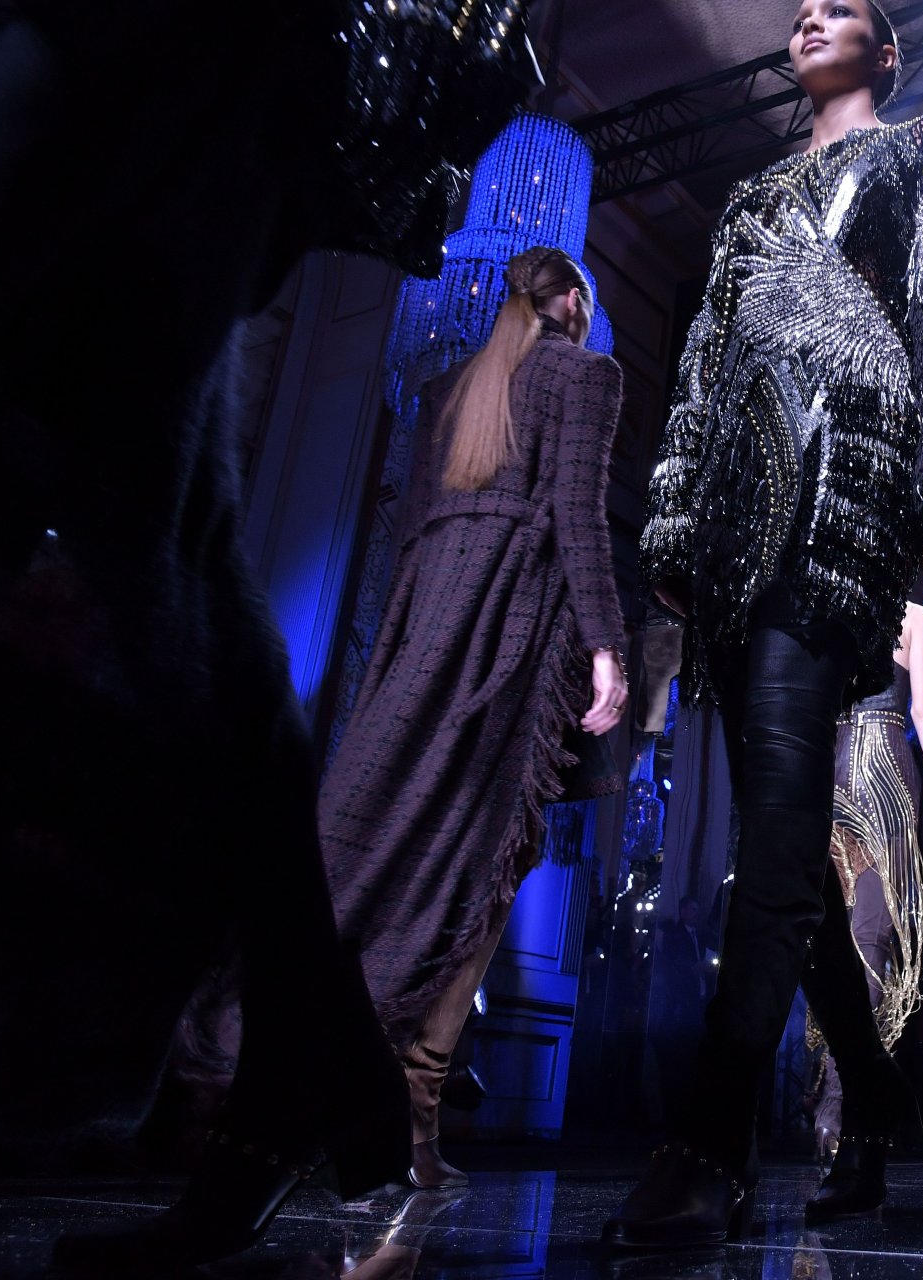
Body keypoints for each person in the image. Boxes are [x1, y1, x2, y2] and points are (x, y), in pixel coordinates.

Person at [0, 4, 533, 1269]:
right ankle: (301, 1048)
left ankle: (285, 1044)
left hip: (219, 50)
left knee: (118, 459)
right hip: (220, 60)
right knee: (156, 503)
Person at [605, 0, 923, 1249]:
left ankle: (709, 1142)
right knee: (781, 836)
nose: (813, 15)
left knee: (776, 829)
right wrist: (673, 514)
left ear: (890, 50)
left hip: (843, 482)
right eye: (804, 9)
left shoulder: (916, 151)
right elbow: (701, 357)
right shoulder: (748, 195)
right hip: (732, 507)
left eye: (846, 8)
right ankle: (875, 1099)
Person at [320, 247, 626, 1190]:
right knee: (488, 852)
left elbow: (410, 527)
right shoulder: (586, 374)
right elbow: (579, 514)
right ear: (570, 302)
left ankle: (336, 1075)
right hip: (514, 615)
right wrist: (608, 645)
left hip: (426, 618)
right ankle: (412, 1105)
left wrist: (398, 644)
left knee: (391, 829)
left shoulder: (448, 387)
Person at [813, 599, 923, 1156]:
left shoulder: (905, 614)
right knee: (851, 937)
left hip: (856, 773)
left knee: (857, 936)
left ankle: (837, 1096)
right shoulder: (905, 614)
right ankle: (839, 1094)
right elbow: (922, 707)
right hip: (858, 773)